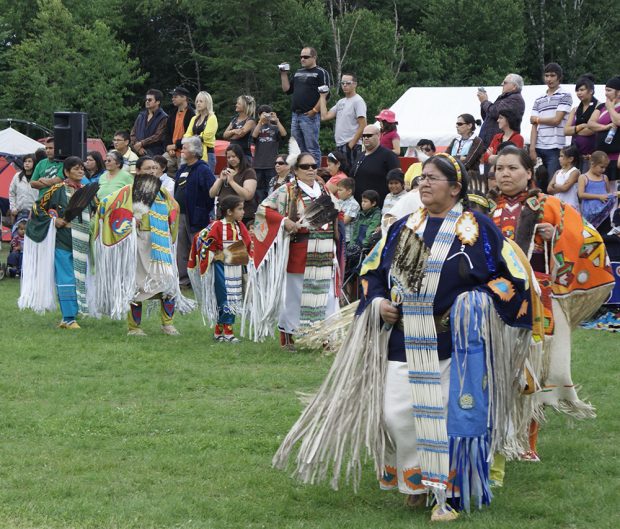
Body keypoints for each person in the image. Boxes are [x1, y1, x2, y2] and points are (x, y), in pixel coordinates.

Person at [273, 152, 536, 522]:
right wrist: (378, 301)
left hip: (456, 343)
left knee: (451, 417)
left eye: (434, 178)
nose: (425, 183)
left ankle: (450, 493)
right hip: (403, 337)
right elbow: (372, 271)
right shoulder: (403, 227)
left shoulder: (477, 228)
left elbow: (511, 278)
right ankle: (416, 481)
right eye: (422, 177)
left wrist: (475, 302)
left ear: (455, 188)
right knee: (397, 414)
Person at [492, 145, 614, 460]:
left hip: (537, 297)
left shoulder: (548, 205)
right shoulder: (488, 211)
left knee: (533, 367)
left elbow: (588, 239)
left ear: (529, 173)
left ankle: (527, 442)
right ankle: (501, 436)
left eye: (512, 168)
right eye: (500, 168)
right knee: (500, 366)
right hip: (498, 298)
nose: (505, 174)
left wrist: (555, 233)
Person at [245, 152, 341, 349]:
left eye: (314, 165)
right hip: (300, 250)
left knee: (326, 294)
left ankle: (325, 337)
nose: (311, 170)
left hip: (323, 250)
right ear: (296, 170)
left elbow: (336, 213)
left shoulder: (323, 189)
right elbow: (263, 209)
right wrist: (284, 221)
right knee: (295, 295)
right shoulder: (288, 190)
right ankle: (287, 336)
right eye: (305, 167)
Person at [92, 156, 183, 335]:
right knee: (137, 285)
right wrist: (130, 220)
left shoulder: (163, 193)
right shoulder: (127, 192)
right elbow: (105, 206)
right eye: (148, 168)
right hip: (139, 243)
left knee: (168, 284)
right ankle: (134, 327)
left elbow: (175, 209)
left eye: (155, 168)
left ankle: (168, 324)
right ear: (138, 171)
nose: (152, 171)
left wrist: (165, 224)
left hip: (160, 243)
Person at [19, 157, 97, 327]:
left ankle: (72, 314)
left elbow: (96, 210)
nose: (80, 171)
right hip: (62, 239)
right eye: (76, 169)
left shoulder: (88, 191)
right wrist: (54, 221)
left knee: (79, 277)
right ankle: (69, 318)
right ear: (66, 172)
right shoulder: (57, 189)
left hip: (82, 240)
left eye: (82, 168)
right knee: (66, 276)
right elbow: (37, 208)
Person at [188, 195, 252, 343]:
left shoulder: (239, 226)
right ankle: (228, 332)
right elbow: (205, 242)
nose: (243, 212)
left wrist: (245, 257)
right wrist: (217, 256)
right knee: (225, 298)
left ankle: (219, 331)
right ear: (229, 211)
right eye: (240, 209)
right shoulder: (217, 226)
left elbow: (247, 244)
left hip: (236, 267)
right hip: (221, 268)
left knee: (234, 297)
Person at [174, 136, 216, 287]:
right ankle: (184, 281)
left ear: (194, 150)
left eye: (185, 148)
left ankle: (201, 280)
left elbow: (211, 193)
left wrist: (201, 210)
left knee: (198, 248)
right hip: (181, 215)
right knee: (182, 249)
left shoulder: (203, 169)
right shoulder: (182, 169)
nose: (182, 150)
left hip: (196, 217)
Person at [280, 46, 330, 165]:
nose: (302, 59)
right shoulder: (298, 72)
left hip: (309, 115)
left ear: (314, 57)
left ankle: (315, 173)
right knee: (297, 148)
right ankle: (300, 173)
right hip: (295, 115)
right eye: (301, 57)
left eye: (306, 57)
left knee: (311, 148)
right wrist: (283, 74)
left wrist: (314, 110)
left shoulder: (320, 72)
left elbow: (326, 94)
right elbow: (287, 90)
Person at [529, 63, 573, 182]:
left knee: (552, 184)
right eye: (547, 75)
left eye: (552, 75)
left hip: (556, 147)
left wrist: (537, 119)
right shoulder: (539, 98)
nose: (549, 79)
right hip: (539, 147)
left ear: (559, 77)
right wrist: (532, 148)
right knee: (537, 184)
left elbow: (556, 120)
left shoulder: (565, 95)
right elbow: (533, 125)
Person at [319, 73, 367, 166]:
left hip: (352, 145)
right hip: (340, 145)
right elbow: (324, 116)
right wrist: (322, 97)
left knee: (351, 174)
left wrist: (351, 144)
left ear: (355, 84)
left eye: (348, 83)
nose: (344, 85)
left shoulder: (358, 101)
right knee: (342, 175)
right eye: (342, 83)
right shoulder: (341, 102)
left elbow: (363, 125)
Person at [209, 144, 257, 226]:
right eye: (228, 157)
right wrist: (220, 179)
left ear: (240, 156)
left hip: (242, 217)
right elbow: (211, 194)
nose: (231, 159)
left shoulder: (249, 172)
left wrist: (231, 181)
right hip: (223, 216)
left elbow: (248, 195)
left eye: (234, 156)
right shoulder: (225, 170)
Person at [351, 125, 400, 204]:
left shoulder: (388, 155)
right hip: (357, 205)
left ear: (378, 136)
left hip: (378, 206)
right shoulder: (360, 155)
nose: (366, 138)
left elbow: (398, 181)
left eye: (369, 135)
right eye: (364, 136)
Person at [477, 73, 526, 148]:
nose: (502, 84)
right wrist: (483, 103)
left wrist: (485, 102)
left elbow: (495, 113)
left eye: (505, 83)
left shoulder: (515, 99)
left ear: (514, 86)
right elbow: (487, 117)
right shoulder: (506, 98)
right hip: (490, 140)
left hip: (501, 142)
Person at [587, 75, 620, 183]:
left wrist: (610, 108)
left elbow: (617, 121)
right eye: (605, 90)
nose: (606, 93)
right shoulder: (601, 106)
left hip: (616, 156)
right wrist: (605, 127)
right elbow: (591, 123)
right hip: (601, 156)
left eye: (609, 90)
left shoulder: (611, 107)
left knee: (613, 187)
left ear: (618, 92)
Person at [252, 104, 287, 202]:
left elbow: (284, 134)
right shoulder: (257, 127)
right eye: (263, 114)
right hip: (258, 165)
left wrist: (277, 120)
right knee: (258, 191)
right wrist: (260, 122)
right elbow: (253, 136)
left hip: (272, 164)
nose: (266, 116)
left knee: (271, 189)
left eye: (267, 114)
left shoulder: (275, 128)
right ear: (259, 115)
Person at [564, 75, 597, 172]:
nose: (579, 93)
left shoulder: (599, 107)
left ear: (590, 91)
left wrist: (574, 130)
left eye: (582, 90)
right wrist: (582, 126)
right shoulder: (575, 109)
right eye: (577, 90)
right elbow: (566, 131)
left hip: (590, 155)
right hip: (575, 154)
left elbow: (591, 130)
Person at [578, 150, 618, 228]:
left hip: (604, 214)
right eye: (601, 167)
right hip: (589, 214)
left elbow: (607, 193)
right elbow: (581, 194)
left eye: (605, 167)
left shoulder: (604, 178)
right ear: (592, 163)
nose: (603, 170)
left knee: (604, 236)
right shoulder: (583, 177)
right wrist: (599, 197)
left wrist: (613, 195)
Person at [446, 114, 485, 193]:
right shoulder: (455, 140)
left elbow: (468, 163)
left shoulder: (477, 140)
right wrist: (460, 157)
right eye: (456, 124)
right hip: (454, 178)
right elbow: (445, 158)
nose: (457, 126)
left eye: (460, 124)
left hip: (470, 181)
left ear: (469, 125)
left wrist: (452, 158)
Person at [184, 91, 218, 172]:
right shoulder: (194, 118)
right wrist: (196, 138)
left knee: (206, 180)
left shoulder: (212, 117)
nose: (198, 103)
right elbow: (186, 135)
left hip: (208, 154)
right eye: (197, 101)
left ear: (207, 103)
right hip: (194, 153)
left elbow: (206, 136)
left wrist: (192, 138)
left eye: (201, 101)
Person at [164, 86, 195, 176]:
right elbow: (167, 133)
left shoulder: (192, 114)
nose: (172, 99)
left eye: (175, 96)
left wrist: (175, 145)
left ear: (184, 98)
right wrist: (168, 148)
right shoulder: (173, 113)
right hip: (171, 152)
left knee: (183, 176)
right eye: (172, 96)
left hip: (184, 151)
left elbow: (192, 137)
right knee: (158, 164)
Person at [130, 89, 169, 156]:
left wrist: (141, 143)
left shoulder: (163, 117)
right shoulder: (141, 115)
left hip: (154, 152)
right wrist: (138, 146)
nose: (147, 101)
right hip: (137, 150)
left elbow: (158, 136)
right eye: (146, 100)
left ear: (158, 102)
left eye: (150, 100)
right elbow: (133, 133)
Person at [223, 95, 256, 162]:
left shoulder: (250, 121)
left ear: (245, 106)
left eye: (239, 103)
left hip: (244, 155)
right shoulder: (234, 119)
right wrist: (234, 131)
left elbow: (239, 135)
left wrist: (230, 134)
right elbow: (224, 135)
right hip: (232, 155)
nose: (236, 105)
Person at [547, 144, 581, 210]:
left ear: (570, 159)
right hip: (558, 205)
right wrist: (560, 187)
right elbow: (549, 189)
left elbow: (565, 188)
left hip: (570, 206)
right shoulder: (557, 172)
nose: (559, 158)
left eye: (562, 156)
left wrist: (554, 185)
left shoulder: (575, 172)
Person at [9, 154, 38, 221]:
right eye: (25, 161)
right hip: (19, 213)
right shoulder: (17, 176)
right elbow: (11, 193)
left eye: (29, 161)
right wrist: (13, 208)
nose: (27, 163)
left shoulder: (38, 177)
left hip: (34, 213)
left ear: (34, 163)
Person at [336, 177, 359, 242]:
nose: (338, 192)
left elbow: (344, 221)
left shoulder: (354, 204)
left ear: (349, 191)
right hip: (338, 236)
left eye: (340, 190)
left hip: (347, 240)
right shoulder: (339, 201)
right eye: (337, 190)